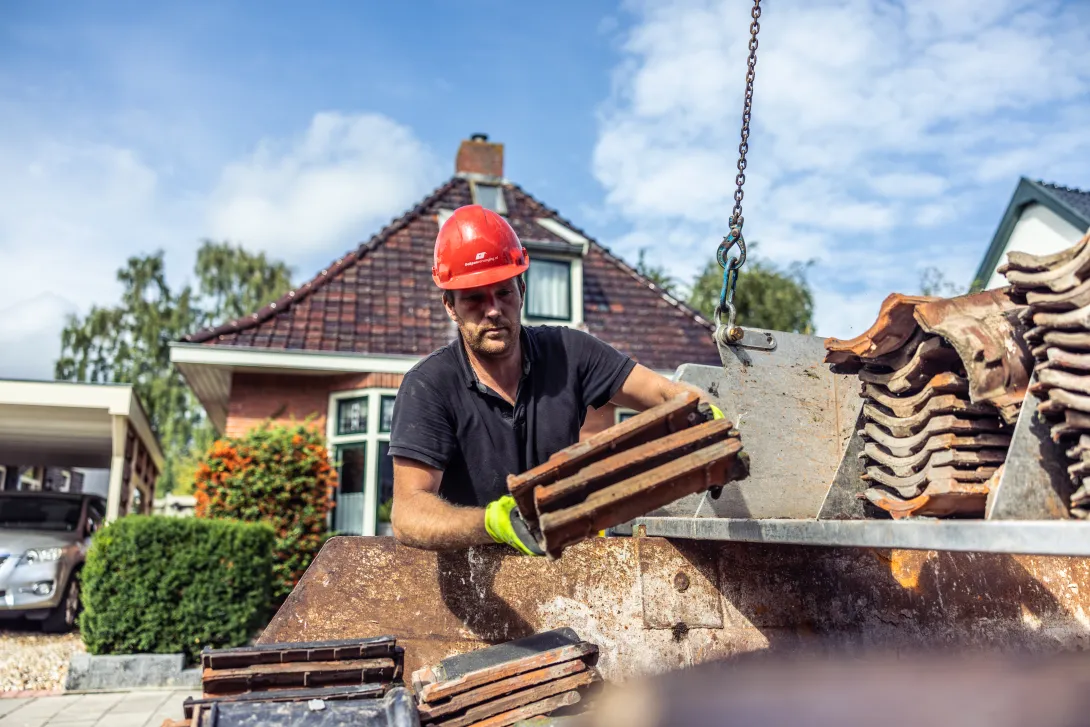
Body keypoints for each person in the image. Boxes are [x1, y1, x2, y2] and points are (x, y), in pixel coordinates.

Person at [388, 205, 721, 555]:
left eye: (503, 292)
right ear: (450, 306)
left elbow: (662, 392)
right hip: (473, 577)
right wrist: (493, 523)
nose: (493, 310)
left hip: (562, 570)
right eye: (473, 297)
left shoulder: (569, 351)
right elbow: (408, 512)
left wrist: (704, 411)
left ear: (522, 289)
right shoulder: (428, 386)